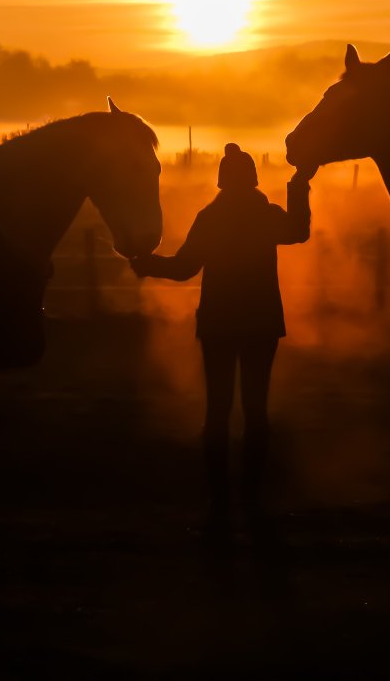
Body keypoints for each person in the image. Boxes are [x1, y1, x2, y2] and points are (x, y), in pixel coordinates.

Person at [131, 144, 315, 533]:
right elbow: (299, 231)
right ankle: (252, 495)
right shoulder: (265, 216)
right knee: (255, 409)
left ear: (220, 181)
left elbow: (183, 268)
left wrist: (147, 265)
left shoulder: (210, 217)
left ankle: (218, 496)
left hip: (218, 325)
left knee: (217, 410)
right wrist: (298, 185)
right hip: (262, 324)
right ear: (252, 180)